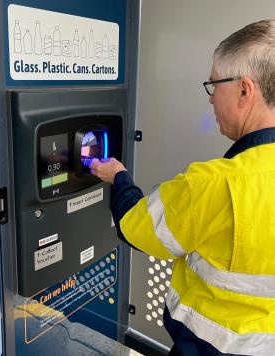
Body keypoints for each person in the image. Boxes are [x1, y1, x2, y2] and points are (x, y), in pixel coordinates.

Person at [90, 19, 275, 356]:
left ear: (245, 90)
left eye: (214, 85)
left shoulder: (212, 185)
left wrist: (119, 176)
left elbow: (135, 226)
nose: (210, 100)